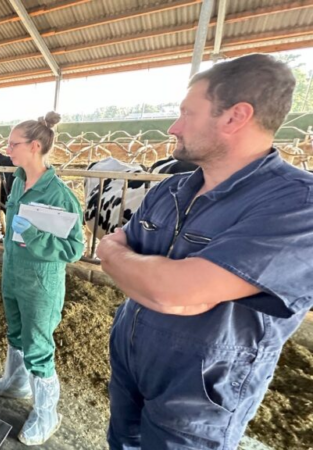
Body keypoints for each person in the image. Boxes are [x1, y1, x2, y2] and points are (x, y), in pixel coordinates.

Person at [97, 53, 313, 449]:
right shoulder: (168, 189)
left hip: (198, 397)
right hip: (130, 364)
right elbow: (122, 253)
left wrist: (120, 260)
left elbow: (170, 290)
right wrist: (149, 277)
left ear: (235, 117)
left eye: (186, 113)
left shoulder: (298, 205)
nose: (173, 127)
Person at [0, 112, 84, 446]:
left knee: (38, 348)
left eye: (13, 144)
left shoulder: (59, 195)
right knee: (14, 333)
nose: (7, 149)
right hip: (13, 275)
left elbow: (73, 249)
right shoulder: (17, 182)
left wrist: (36, 238)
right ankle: (16, 383)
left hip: (40, 284)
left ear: (35, 146)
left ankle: (46, 415)